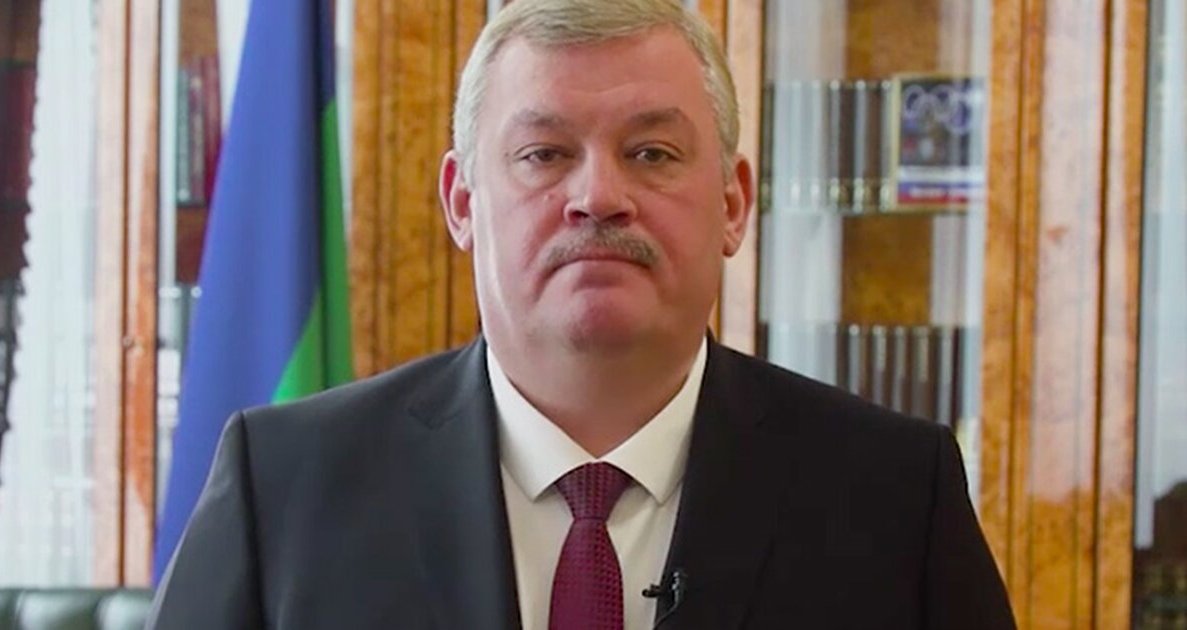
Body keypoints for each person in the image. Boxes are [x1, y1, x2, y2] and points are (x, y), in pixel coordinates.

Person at [146, 0, 1017, 628]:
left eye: (652, 153)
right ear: (462, 202)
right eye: (543, 154)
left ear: (733, 204)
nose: (598, 196)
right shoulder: (283, 488)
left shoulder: (896, 497)